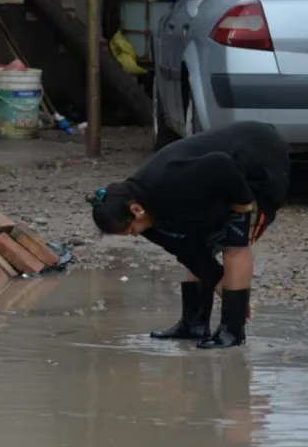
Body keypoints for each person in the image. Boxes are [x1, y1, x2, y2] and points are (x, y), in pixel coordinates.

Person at [89, 121, 290, 349]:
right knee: (198, 241)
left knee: (234, 242)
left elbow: (221, 164)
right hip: (219, 182)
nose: (130, 236)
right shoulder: (143, 218)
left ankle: (233, 331)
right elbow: (189, 251)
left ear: (136, 210)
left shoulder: (168, 181)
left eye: (128, 230)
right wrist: (218, 282)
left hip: (257, 160)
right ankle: (194, 324)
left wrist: (243, 204)